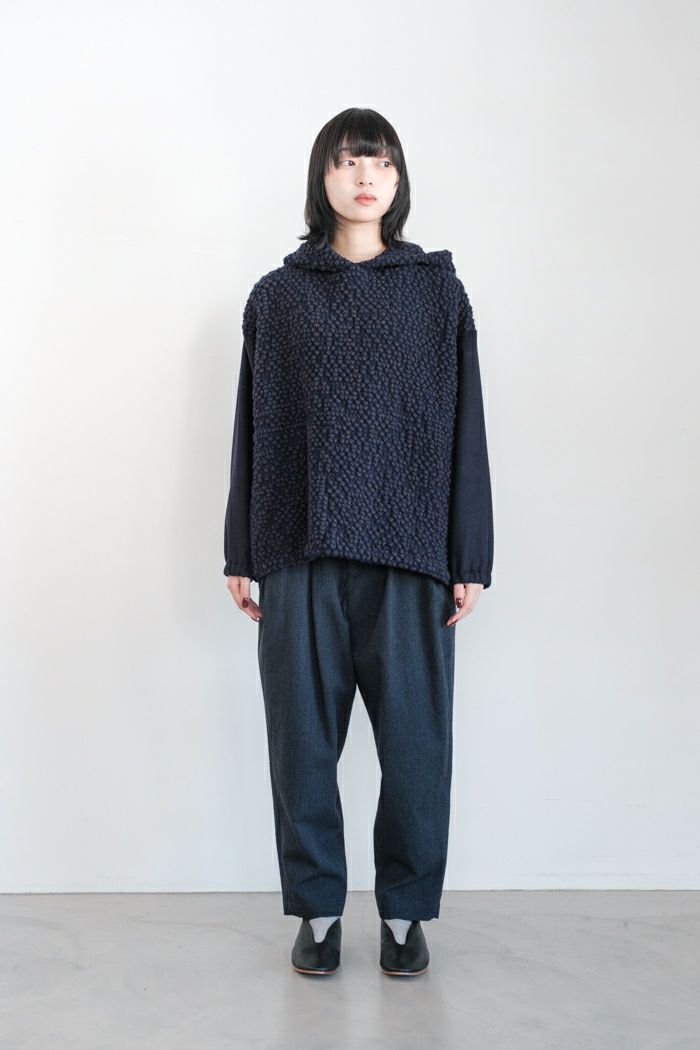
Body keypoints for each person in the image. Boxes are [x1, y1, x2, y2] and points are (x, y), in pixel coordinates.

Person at [223, 107, 494, 977]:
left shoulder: (438, 294)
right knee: (302, 746)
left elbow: (467, 426)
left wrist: (470, 555)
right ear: (323, 178)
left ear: (399, 179)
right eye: (347, 162)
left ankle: (406, 914)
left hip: (412, 555)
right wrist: (240, 548)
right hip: (300, 549)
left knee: (416, 748)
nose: (365, 177)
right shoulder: (278, 297)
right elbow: (253, 424)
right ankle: (317, 910)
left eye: (380, 162)